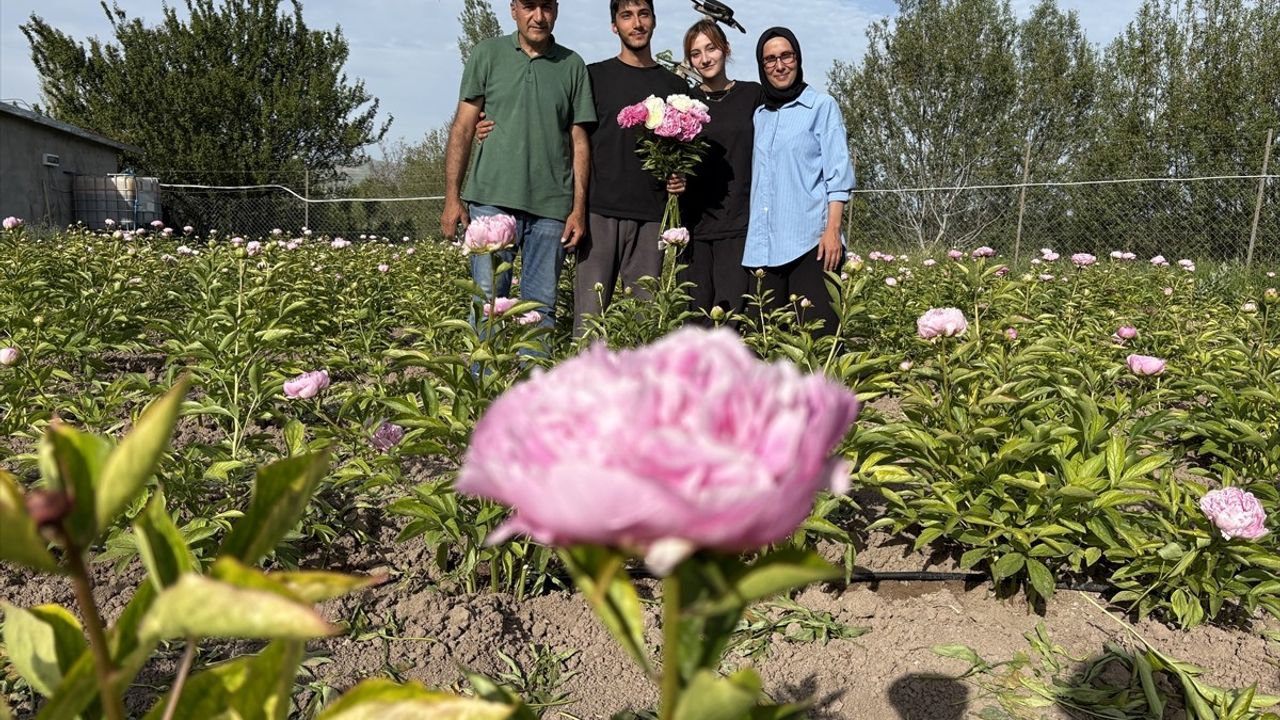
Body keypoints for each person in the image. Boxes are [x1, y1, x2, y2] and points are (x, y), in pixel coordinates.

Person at [440, 0, 595, 337]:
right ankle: (483, 388)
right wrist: (452, 198)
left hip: (551, 209)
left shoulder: (572, 65)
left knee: (540, 311)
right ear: (513, 9)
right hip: (491, 201)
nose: (538, 16)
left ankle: (533, 386)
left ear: (556, 10)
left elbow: (580, 142)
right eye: (529, 6)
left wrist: (578, 209)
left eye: (547, 7)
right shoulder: (487, 54)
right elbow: (464, 127)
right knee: (486, 306)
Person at [574, 0, 688, 336]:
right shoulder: (593, 77)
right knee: (589, 325)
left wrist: (680, 178)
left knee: (645, 328)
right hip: (598, 215)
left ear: (654, 21)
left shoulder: (676, 88)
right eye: (626, 16)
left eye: (643, 14)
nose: (636, 23)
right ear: (614, 26)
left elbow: (683, 153)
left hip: (652, 219)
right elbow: (568, 136)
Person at [744, 27, 854, 337]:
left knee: (817, 342)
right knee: (766, 346)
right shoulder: (760, 115)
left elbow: (838, 175)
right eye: (769, 60)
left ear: (797, 58)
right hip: (763, 248)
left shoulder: (821, 107)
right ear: (761, 66)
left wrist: (832, 232)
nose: (779, 66)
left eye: (786, 56)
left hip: (811, 245)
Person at [680, 19, 761, 325]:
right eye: (696, 53)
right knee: (695, 321)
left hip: (739, 225)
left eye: (710, 48)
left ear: (725, 49)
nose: (705, 58)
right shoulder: (684, 103)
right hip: (694, 228)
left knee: (733, 322)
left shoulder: (752, 96)